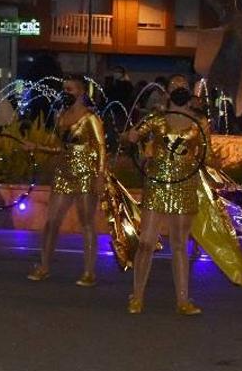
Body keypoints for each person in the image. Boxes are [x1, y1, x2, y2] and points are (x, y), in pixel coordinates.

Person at [123, 88, 215, 315]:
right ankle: (137, 296)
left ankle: (182, 300)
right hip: (157, 183)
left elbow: (208, 155)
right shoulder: (157, 118)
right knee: (146, 241)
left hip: (184, 184)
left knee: (179, 244)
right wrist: (138, 138)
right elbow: (132, 137)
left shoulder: (199, 122)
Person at [24, 76, 106, 286]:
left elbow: (101, 148)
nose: (65, 93)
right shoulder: (61, 116)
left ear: (80, 92)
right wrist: (37, 147)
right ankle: (44, 265)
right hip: (64, 171)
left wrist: (99, 176)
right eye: (64, 89)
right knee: (52, 221)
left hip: (86, 172)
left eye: (69, 89)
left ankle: (89, 271)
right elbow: (60, 147)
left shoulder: (90, 118)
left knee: (86, 223)